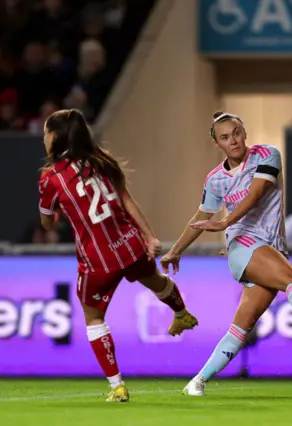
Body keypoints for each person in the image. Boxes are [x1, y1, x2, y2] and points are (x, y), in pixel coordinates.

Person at [162, 111, 292, 396]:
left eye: (236, 133)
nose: (232, 141)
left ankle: (196, 381)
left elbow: (257, 193)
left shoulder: (266, 155)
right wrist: (176, 251)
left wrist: (224, 221)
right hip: (243, 246)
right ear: (217, 144)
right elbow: (201, 216)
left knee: (241, 328)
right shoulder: (215, 180)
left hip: (270, 248)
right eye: (225, 137)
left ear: (244, 132)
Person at [38, 109, 198, 402]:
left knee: (93, 318)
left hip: (97, 259)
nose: (44, 137)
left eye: (46, 131)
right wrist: (150, 236)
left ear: (55, 137)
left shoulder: (52, 178)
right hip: (129, 243)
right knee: (154, 280)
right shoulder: (101, 162)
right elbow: (126, 200)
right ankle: (182, 313)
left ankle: (117, 386)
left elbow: (47, 222)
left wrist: (57, 214)